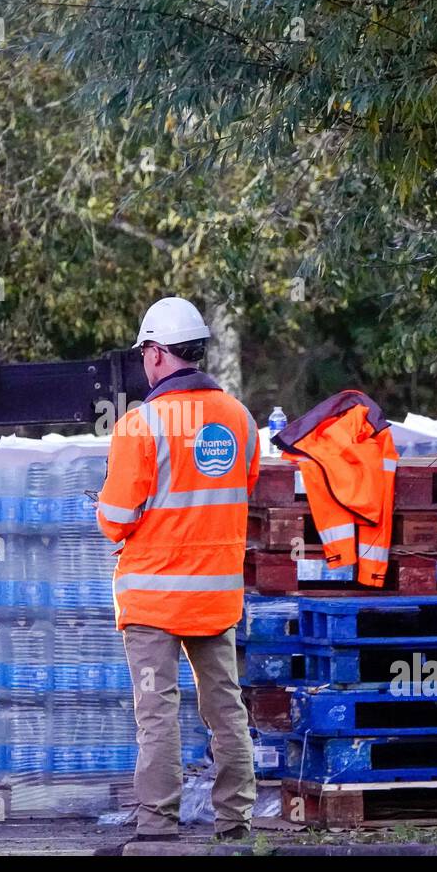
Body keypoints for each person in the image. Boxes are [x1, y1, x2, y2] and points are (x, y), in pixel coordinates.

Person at [96, 296, 260, 843]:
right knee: (226, 710)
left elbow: (116, 520)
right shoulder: (239, 418)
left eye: (145, 351)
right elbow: (241, 490)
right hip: (216, 598)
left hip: (153, 601)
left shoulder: (140, 425)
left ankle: (157, 828)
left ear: (159, 354)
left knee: (158, 715)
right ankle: (236, 825)